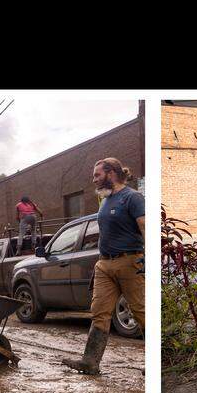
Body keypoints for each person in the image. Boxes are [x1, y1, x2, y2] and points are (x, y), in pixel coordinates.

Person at [61, 158, 144, 375]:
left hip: (130, 262)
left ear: (111, 173)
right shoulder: (105, 200)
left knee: (141, 311)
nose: (94, 179)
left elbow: (146, 227)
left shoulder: (132, 197)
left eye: (97, 175)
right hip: (104, 265)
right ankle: (90, 362)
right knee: (99, 312)